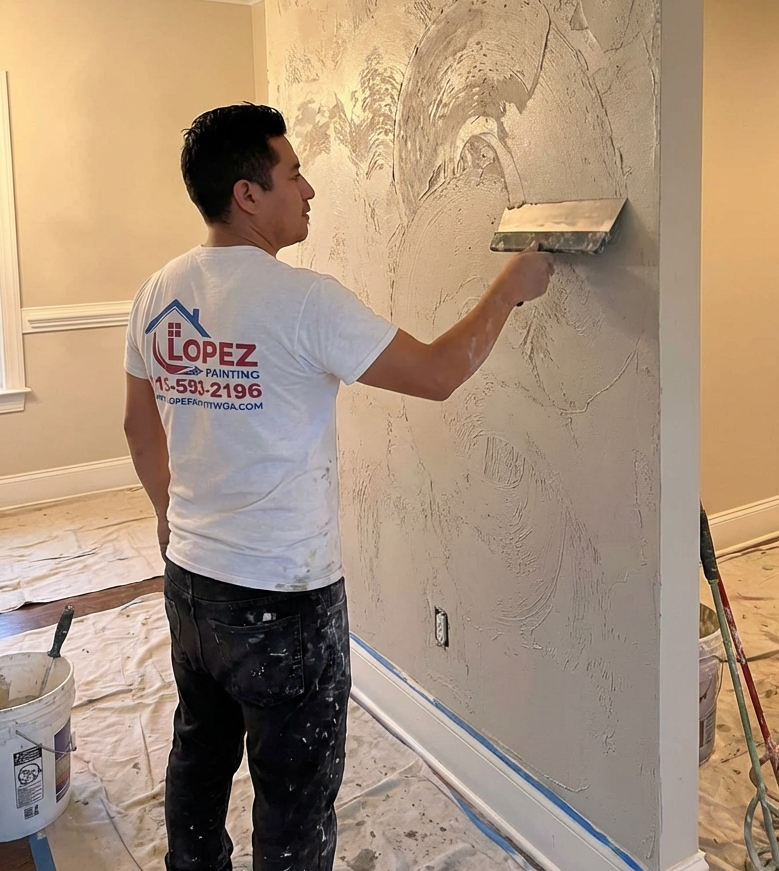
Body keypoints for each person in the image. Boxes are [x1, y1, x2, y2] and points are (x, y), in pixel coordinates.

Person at [123, 103, 554, 871]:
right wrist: (510, 287)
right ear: (248, 194)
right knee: (293, 797)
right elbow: (439, 373)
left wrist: (166, 513)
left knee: (200, 752)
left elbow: (137, 424)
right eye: (293, 173)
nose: (310, 188)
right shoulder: (304, 302)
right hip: (284, 603)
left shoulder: (159, 290)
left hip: (191, 583)